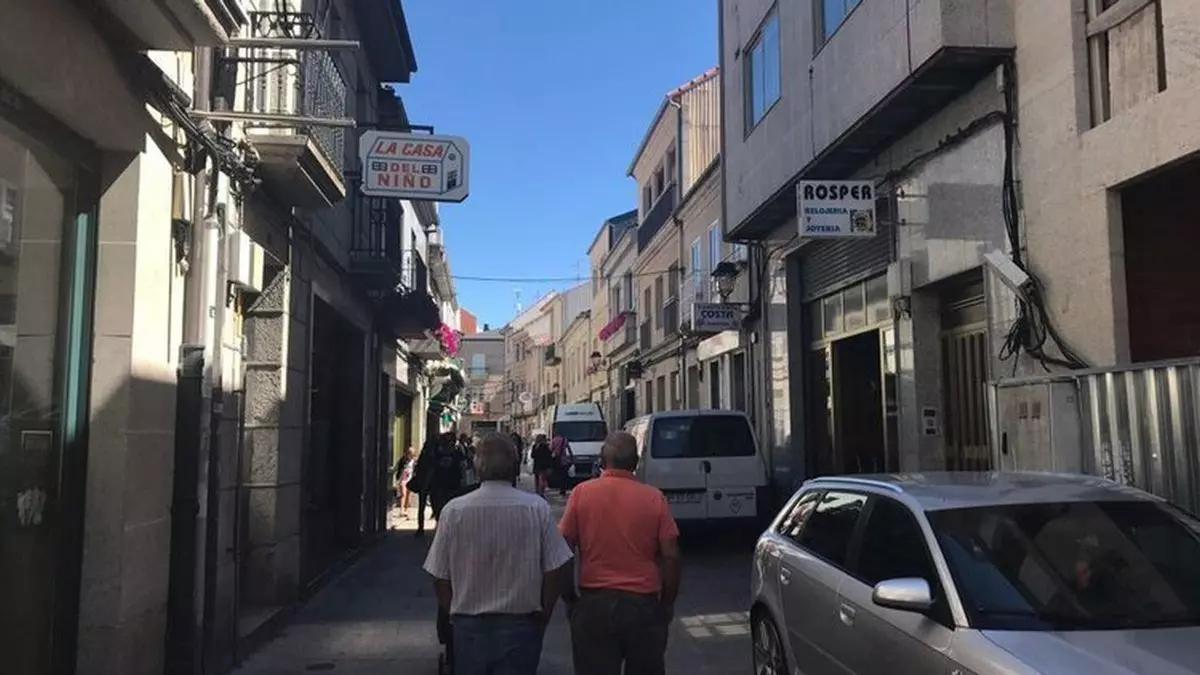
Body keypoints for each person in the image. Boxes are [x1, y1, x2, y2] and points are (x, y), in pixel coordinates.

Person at [423, 433, 575, 675]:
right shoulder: (536, 509)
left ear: (477, 466)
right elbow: (558, 566)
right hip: (522, 623)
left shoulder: (454, 511)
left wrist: (453, 611)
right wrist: (545, 610)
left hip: (469, 624)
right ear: (514, 466)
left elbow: (438, 573)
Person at [558, 431, 681, 675]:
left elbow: (563, 550)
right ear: (635, 463)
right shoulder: (654, 498)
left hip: (594, 604)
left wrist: (569, 598)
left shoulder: (581, 494)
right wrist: (666, 603)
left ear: (602, 460)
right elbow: (672, 557)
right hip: (643, 605)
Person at [429, 432, 465, 519]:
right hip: (442, 485)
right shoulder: (437, 454)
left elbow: (463, 467)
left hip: (451, 485)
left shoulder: (438, 454)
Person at [394, 446, 416, 519]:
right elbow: (397, 467)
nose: (410, 456)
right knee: (403, 494)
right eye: (409, 453)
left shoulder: (414, 461)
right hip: (403, 479)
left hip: (410, 479)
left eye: (412, 454)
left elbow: (416, 470)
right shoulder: (402, 460)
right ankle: (401, 510)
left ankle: (406, 510)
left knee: (408, 495)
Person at [531, 434, 553, 498]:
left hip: (538, 465)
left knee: (538, 479)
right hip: (543, 465)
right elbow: (549, 455)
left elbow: (532, 456)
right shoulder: (545, 446)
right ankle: (541, 492)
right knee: (542, 479)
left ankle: (538, 492)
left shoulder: (535, 446)